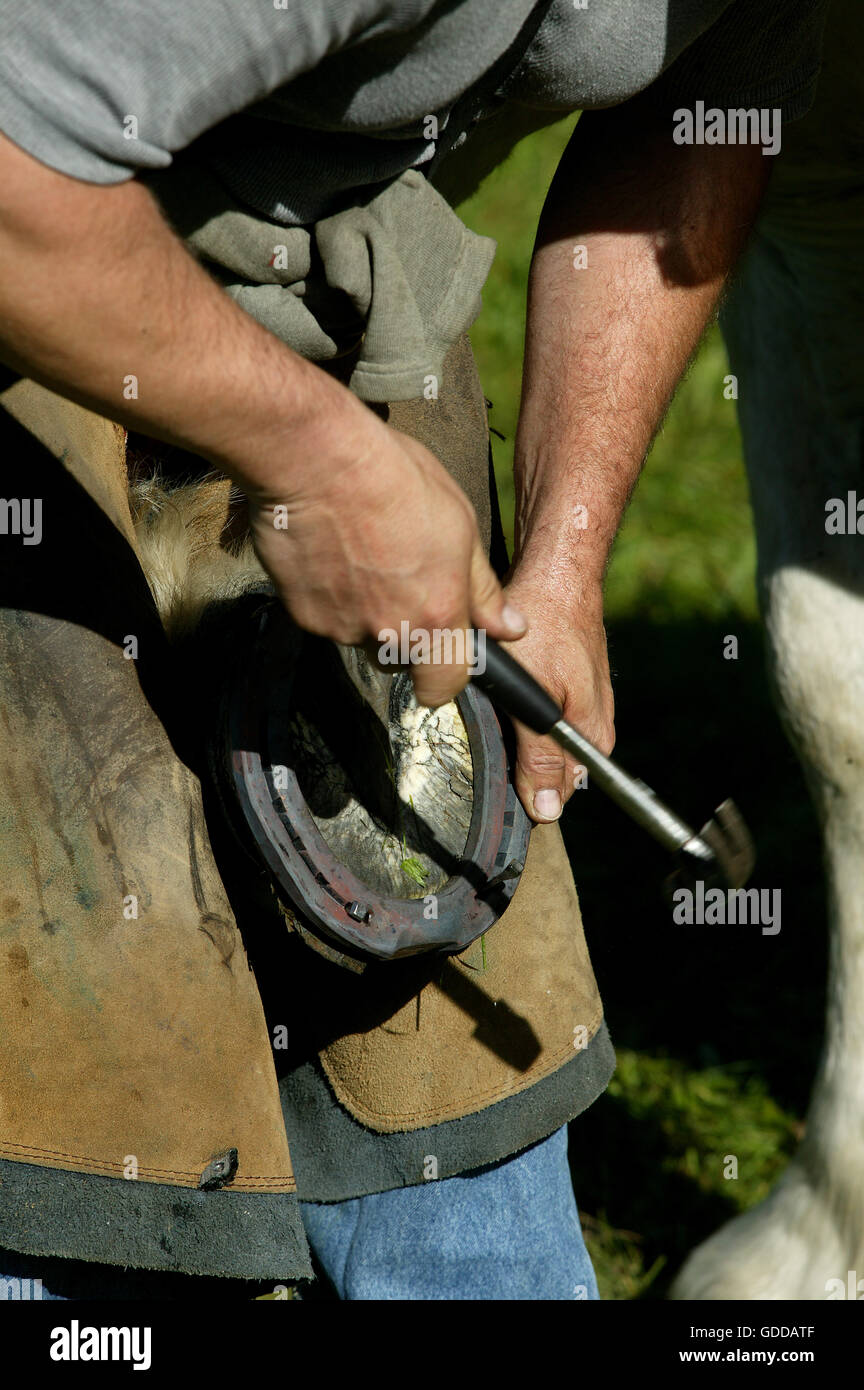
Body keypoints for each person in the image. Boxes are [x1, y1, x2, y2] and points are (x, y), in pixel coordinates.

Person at [0, 0, 827, 1300]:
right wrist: (316, 460)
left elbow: (697, 112)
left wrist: (562, 552)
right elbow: (11, 180)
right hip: (38, 281)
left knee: (466, 1172)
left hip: (340, 259)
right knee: (86, 1158)